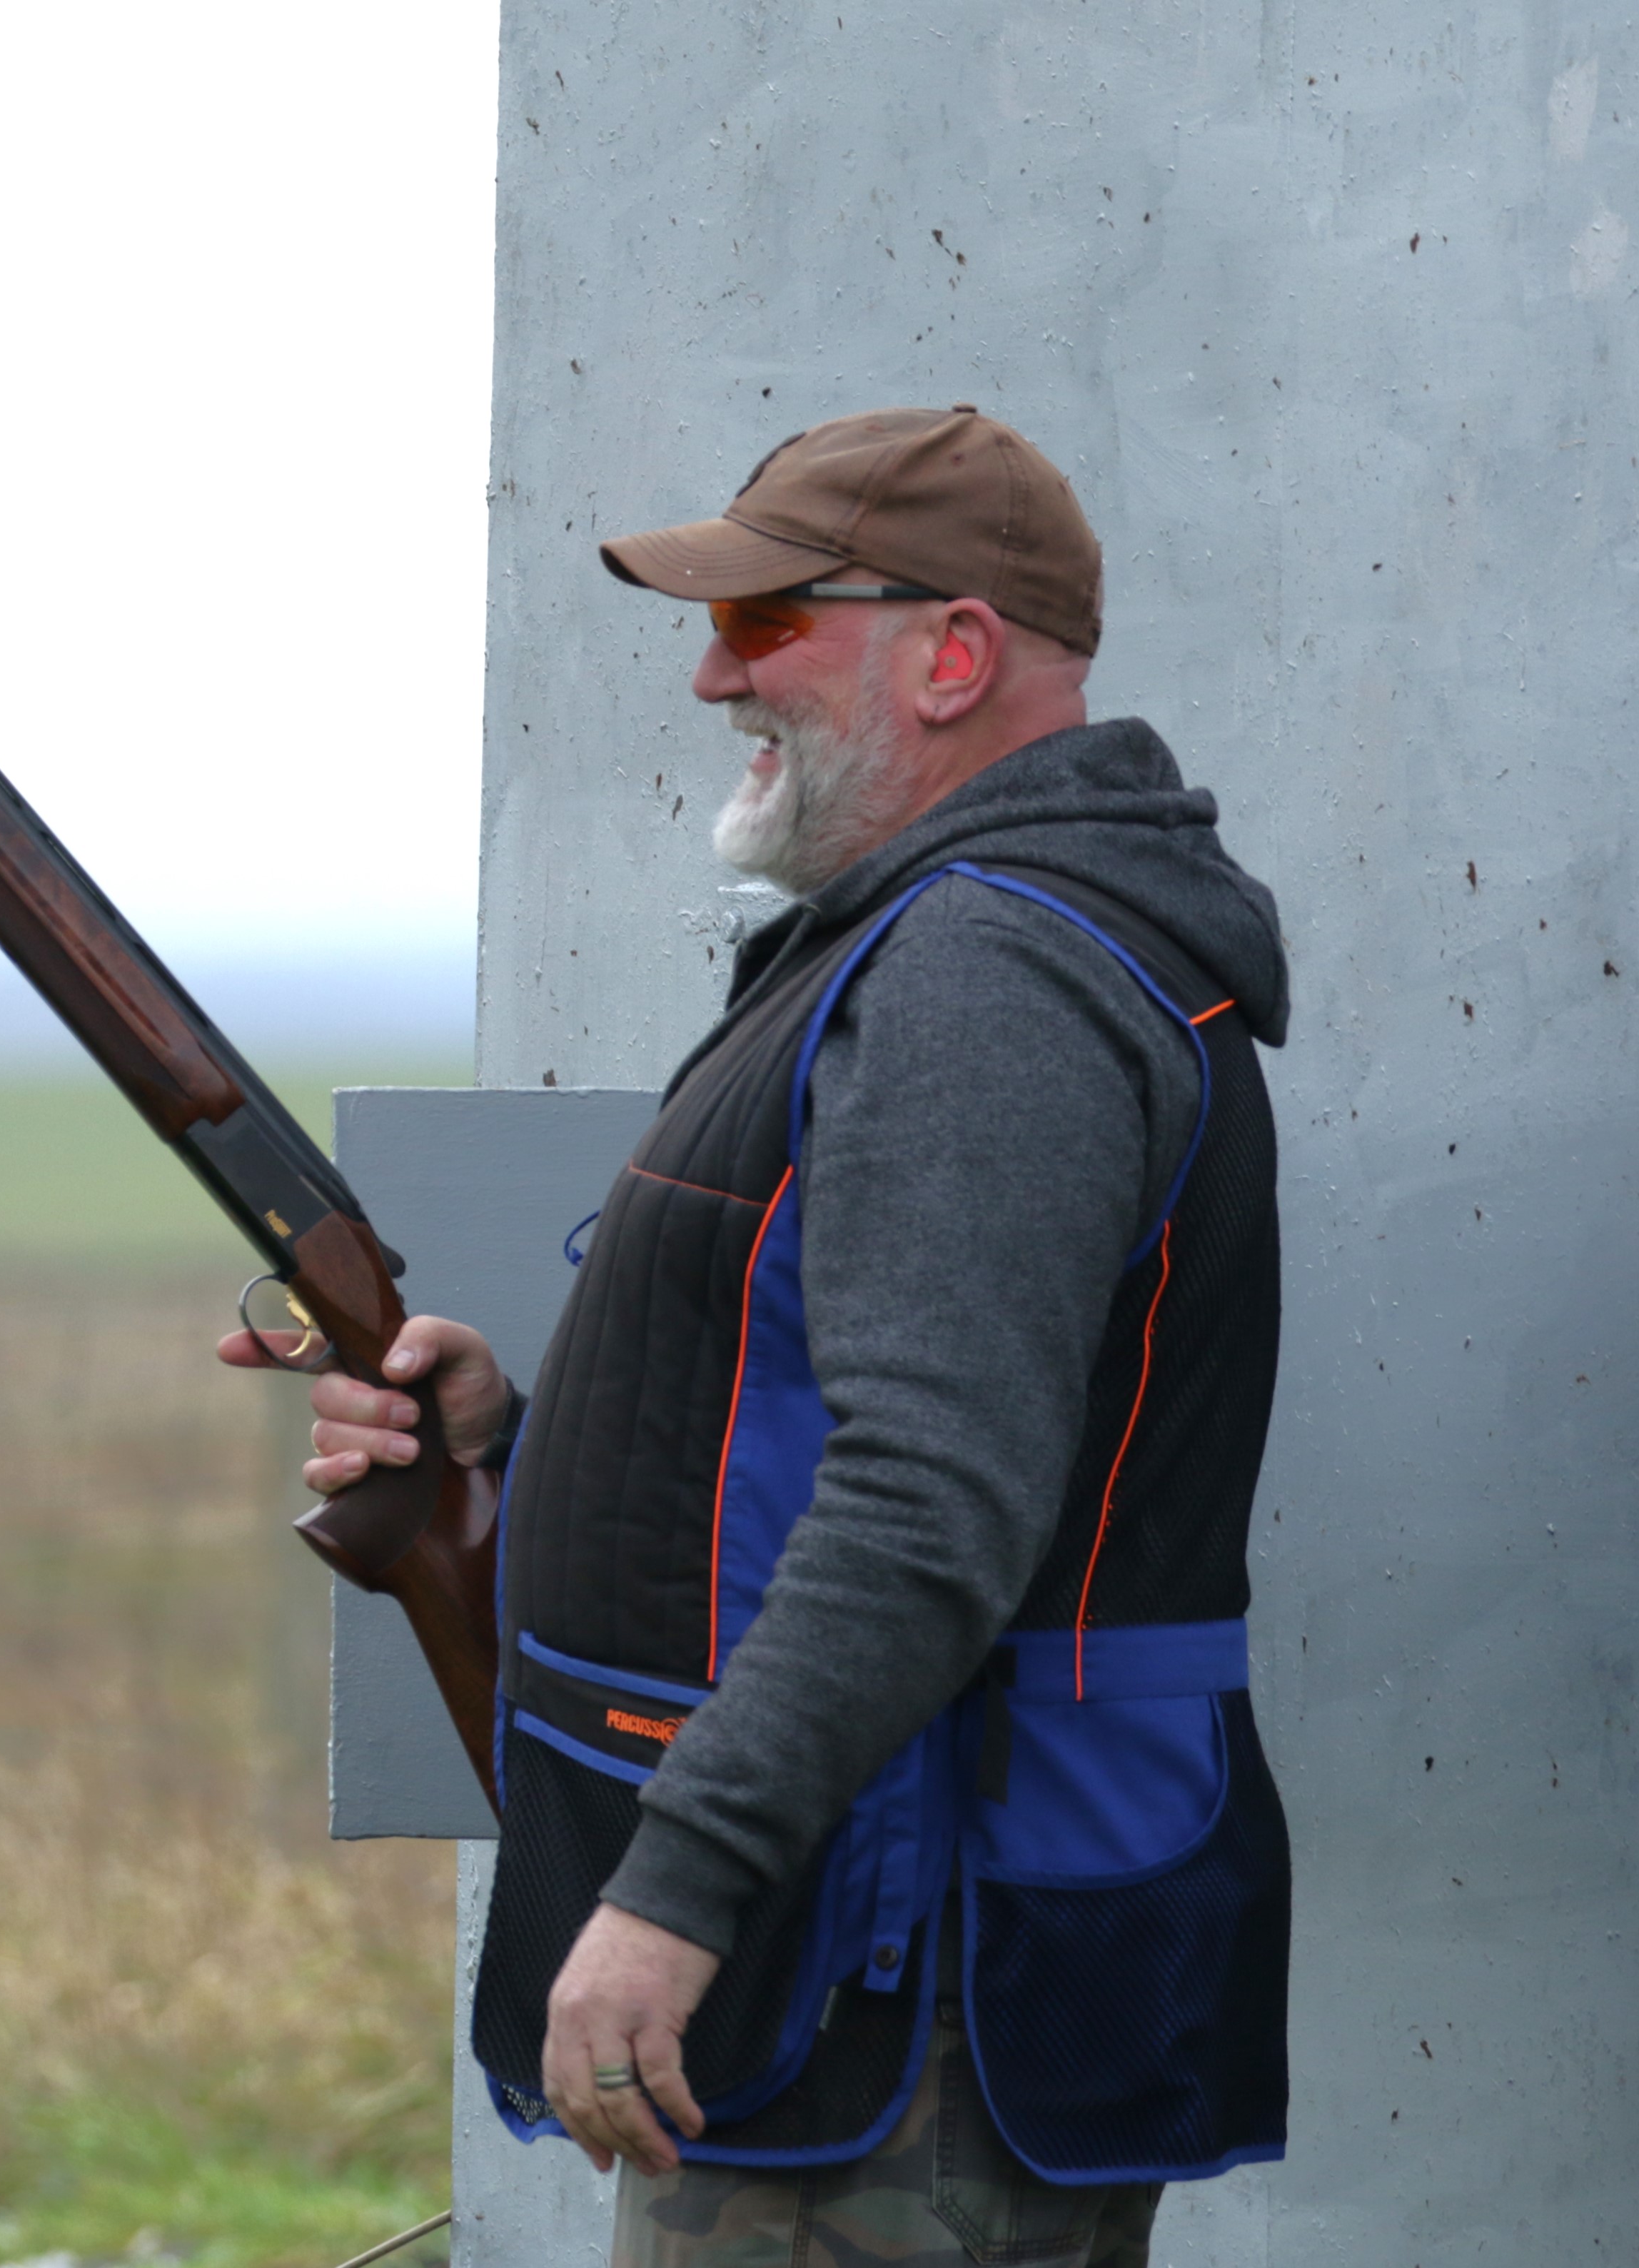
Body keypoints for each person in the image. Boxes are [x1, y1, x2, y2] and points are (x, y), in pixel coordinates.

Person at [229, 405, 1292, 2267]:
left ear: (952, 656)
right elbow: (841, 1436)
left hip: (898, 1981)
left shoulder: (985, 973)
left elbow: (933, 1500)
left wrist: (673, 1894)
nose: (714, 674)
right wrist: (515, 1440)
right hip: (870, 1954)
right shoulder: (945, 941)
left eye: (767, 621)